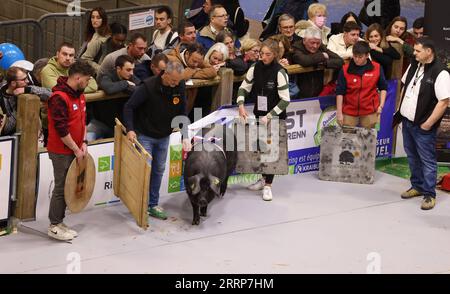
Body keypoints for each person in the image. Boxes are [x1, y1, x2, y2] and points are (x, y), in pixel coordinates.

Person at [123, 61, 191, 220]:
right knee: (144, 170)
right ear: (165, 74)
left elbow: (182, 111)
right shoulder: (147, 86)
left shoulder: (179, 86)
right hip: (145, 134)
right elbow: (129, 107)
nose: (175, 84)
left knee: (158, 170)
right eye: (173, 80)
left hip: (164, 135)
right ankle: (139, 203)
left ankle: (153, 204)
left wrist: (185, 135)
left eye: (178, 81)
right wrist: (130, 129)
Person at [393, 37, 450, 210]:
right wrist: (399, 110)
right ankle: (417, 186)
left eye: (418, 51)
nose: (414, 53)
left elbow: (444, 102)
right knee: (412, 156)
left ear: (428, 52)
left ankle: (429, 194)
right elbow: (404, 87)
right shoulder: (414, 64)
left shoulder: (441, 73)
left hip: (423, 126)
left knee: (427, 160)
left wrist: (428, 124)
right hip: (407, 120)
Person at [46, 60, 96, 241]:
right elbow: (61, 130)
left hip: (77, 149)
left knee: (70, 187)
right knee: (61, 188)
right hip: (61, 151)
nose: (88, 82)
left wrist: (83, 142)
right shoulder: (59, 97)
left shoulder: (80, 94)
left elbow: (82, 122)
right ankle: (53, 225)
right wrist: (75, 149)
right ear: (77, 77)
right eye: (87, 79)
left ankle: (60, 222)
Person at [237, 39, 290, 201]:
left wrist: (270, 115)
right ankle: (262, 179)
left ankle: (268, 186)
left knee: (271, 153)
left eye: (267, 54)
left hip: (274, 117)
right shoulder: (254, 67)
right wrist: (240, 104)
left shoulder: (280, 72)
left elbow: (285, 99)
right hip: (258, 114)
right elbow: (243, 88)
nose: (263, 57)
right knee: (260, 149)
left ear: (274, 55)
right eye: (261, 54)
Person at [335, 41, 387, 129]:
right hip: (349, 112)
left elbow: (383, 88)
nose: (357, 59)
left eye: (360, 57)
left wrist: (381, 106)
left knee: (368, 142)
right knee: (348, 141)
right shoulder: (345, 69)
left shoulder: (377, 68)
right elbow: (340, 92)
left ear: (367, 55)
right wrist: (339, 113)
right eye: (355, 56)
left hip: (370, 112)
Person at [90, 55, 141, 140]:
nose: (131, 73)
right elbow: (109, 88)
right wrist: (126, 84)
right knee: (89, 138)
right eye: (128, 70)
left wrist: (124, 87)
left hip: (120, 124)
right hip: (100, 122)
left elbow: (140, 89)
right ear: (118, 69)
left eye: (132, 70)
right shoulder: (106, 76)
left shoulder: (131, 76)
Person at [292, 27, 343, 99]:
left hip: (318, 93)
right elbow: (305, 61)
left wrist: (324, 63)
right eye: (312, 43)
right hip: (299, 95)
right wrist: (322, 56)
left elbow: (340, 61)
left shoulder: (321, 47)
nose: (315, 46)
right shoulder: (297, 47)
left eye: (318, 43)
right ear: (304, 41)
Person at [0, 66, 51, 136]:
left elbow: (51, 94)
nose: (27, 81)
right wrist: (19, 104)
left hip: (29, 136)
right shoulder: (2, 98)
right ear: (13, 83)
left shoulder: (24, 88)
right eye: (24, 79)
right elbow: (6, 128)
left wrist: (28, 90)